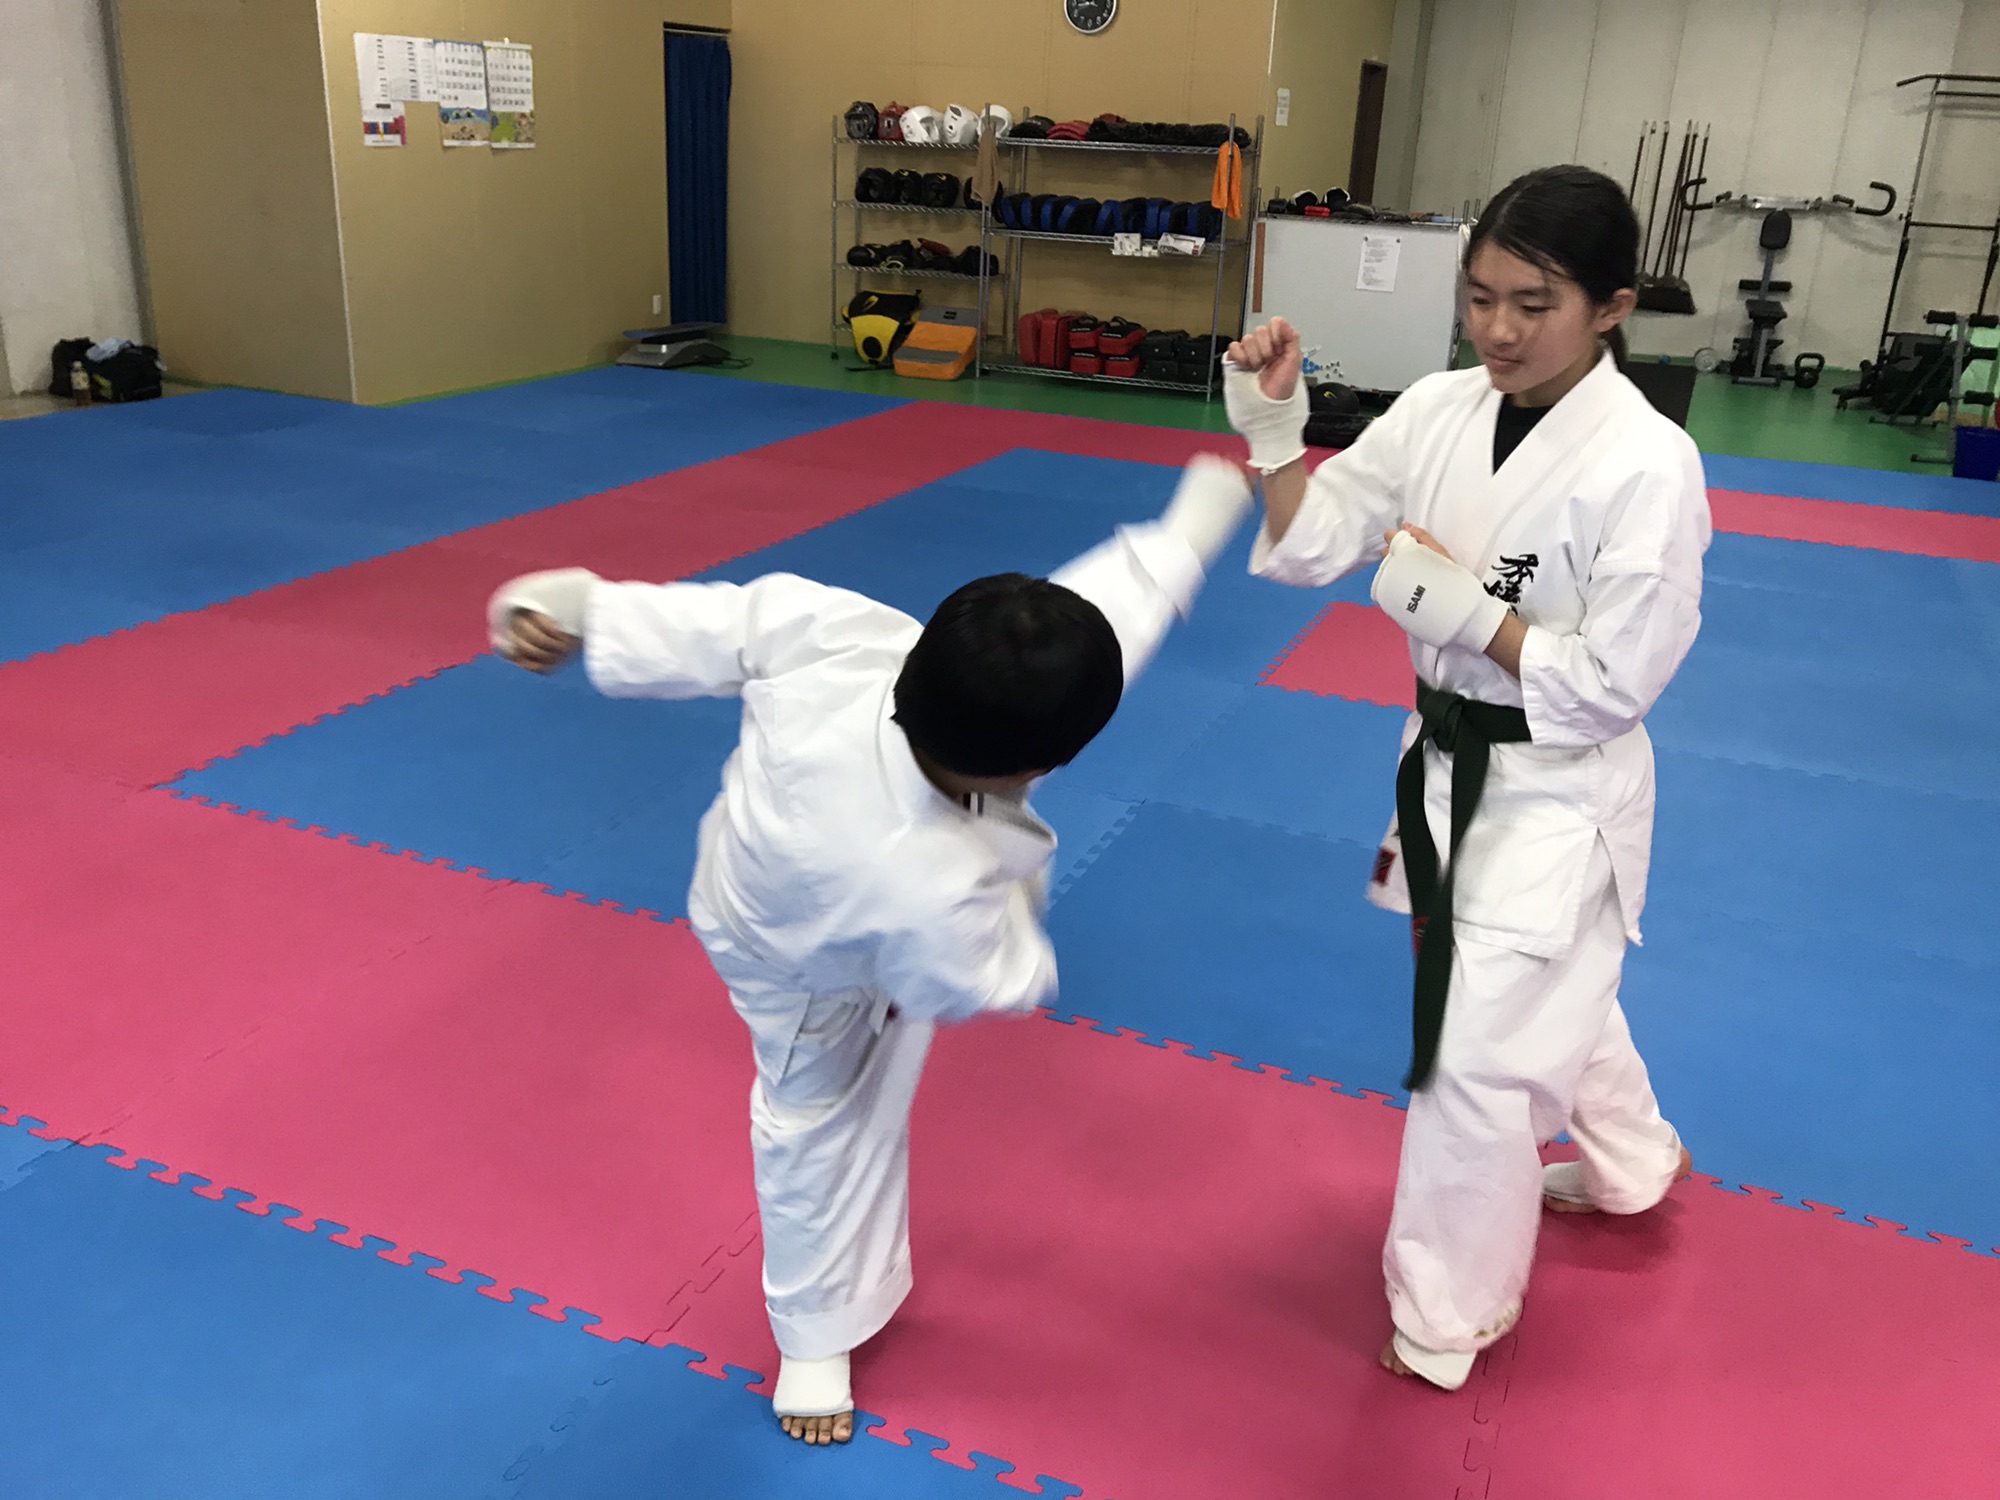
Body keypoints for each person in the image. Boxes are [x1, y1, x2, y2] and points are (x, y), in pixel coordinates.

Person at [486, 455, 1255, 1442]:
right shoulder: (931, 887)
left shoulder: (853, 638)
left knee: (1048, 650)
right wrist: (1017, 910)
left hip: (791, 857)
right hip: (801, 966)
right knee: (816, 1123)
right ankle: (813, 1336)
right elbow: (965, 984)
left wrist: (586, 613)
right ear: (1042, 768)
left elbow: (722, 623)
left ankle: (1178, 538)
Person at [1223, 165, 1706, 1391]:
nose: (1496, 329)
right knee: (1537, 992)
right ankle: (1632, 1162)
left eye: (1531, 304)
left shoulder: (1648, 466)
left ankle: (1448, 1313)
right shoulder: (1438, 408)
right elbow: (1313, 542)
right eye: (1478, 296)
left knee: (1472, 1058)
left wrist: (1465, 612)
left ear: (1610, 307)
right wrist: (1273, 431)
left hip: (1556, 787)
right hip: (1441, 764)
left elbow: (1612, 686)